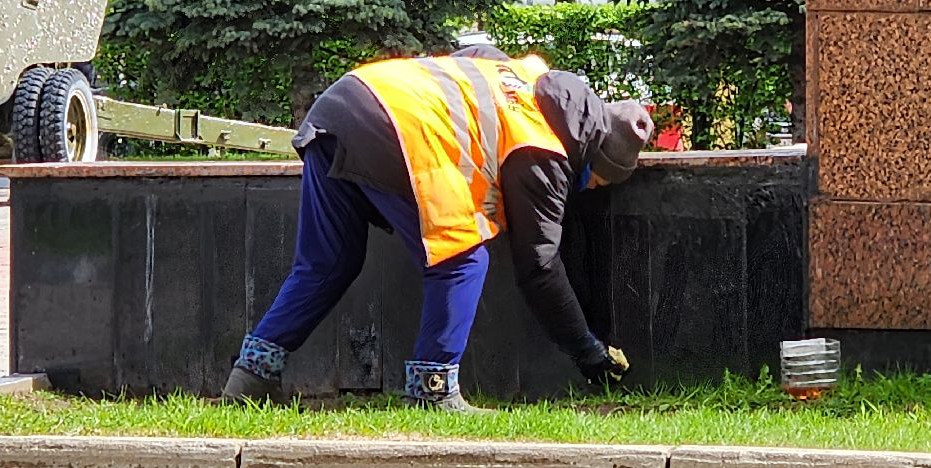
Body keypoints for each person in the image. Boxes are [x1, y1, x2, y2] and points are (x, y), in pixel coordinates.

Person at [220, 45, 654, 412]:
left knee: (327, 263)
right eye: (595, 181)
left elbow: (468, 59)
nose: (591, 190)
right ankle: (433, 390)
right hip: (401, 127)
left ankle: (250, 378)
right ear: (591, 158)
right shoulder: (541, 145)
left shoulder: (520, 74)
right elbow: (539, 266)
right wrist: (588, 352)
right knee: (463, 256)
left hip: (342, 104)